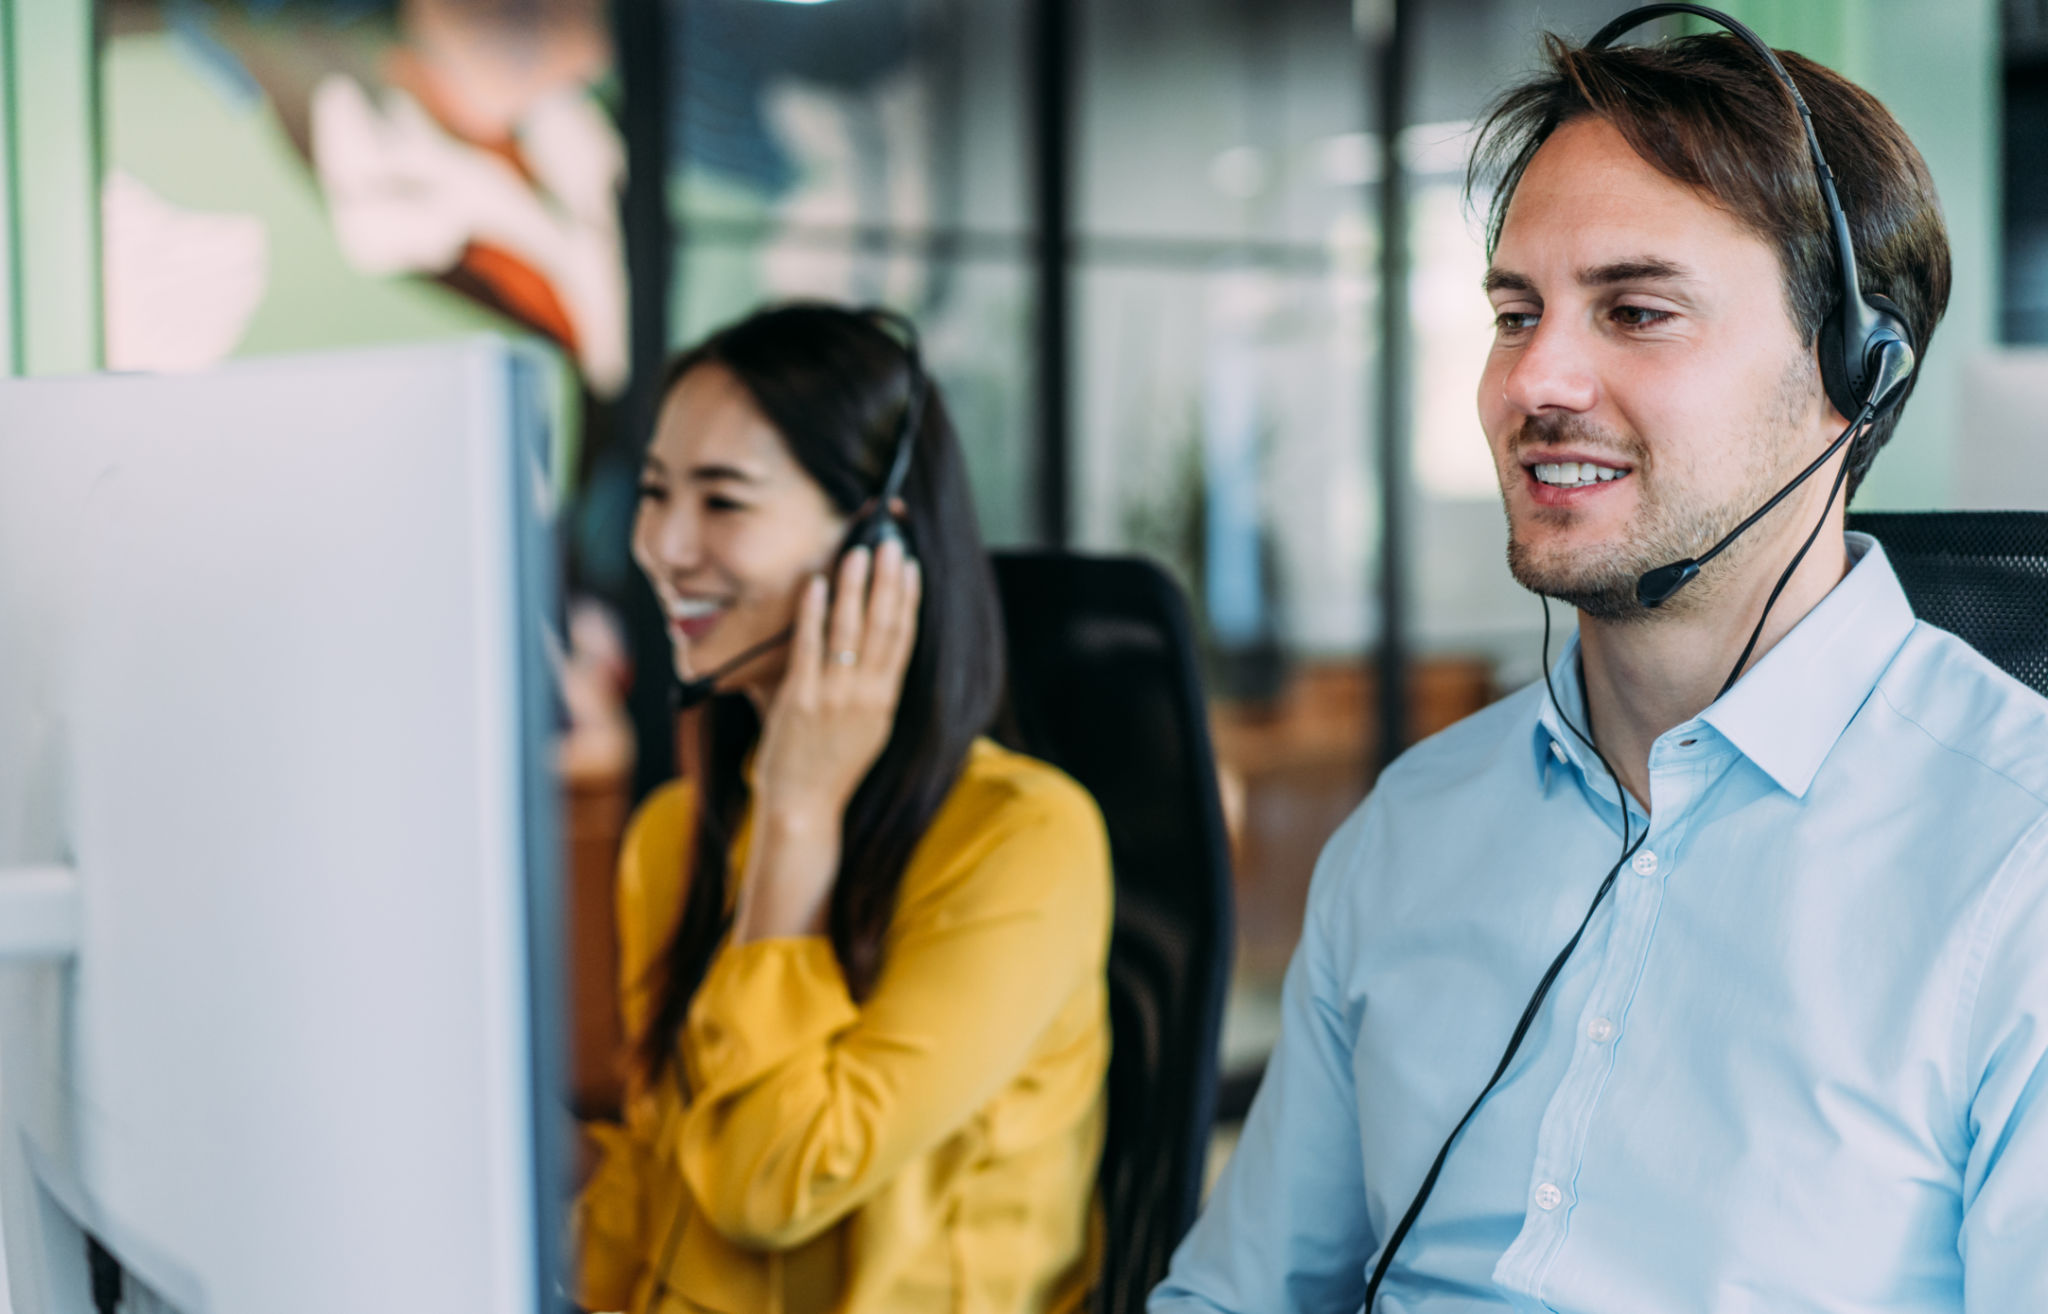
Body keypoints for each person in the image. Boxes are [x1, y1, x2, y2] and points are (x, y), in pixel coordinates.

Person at [1154, 14, 2048, 1314]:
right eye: (1516, 313)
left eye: (1636, 310)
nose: (1537, 379)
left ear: (1855, 374)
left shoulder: (2016, 860)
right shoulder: (1413, 828)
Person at [573, 303, 1113, 1314]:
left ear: (876, 545)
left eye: (723, 502)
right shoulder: (670, 837)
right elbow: (652, 1202)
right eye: (653, 493)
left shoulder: (1023, 840)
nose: (664, 546)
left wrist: (798, 813)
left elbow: (765, 1188)